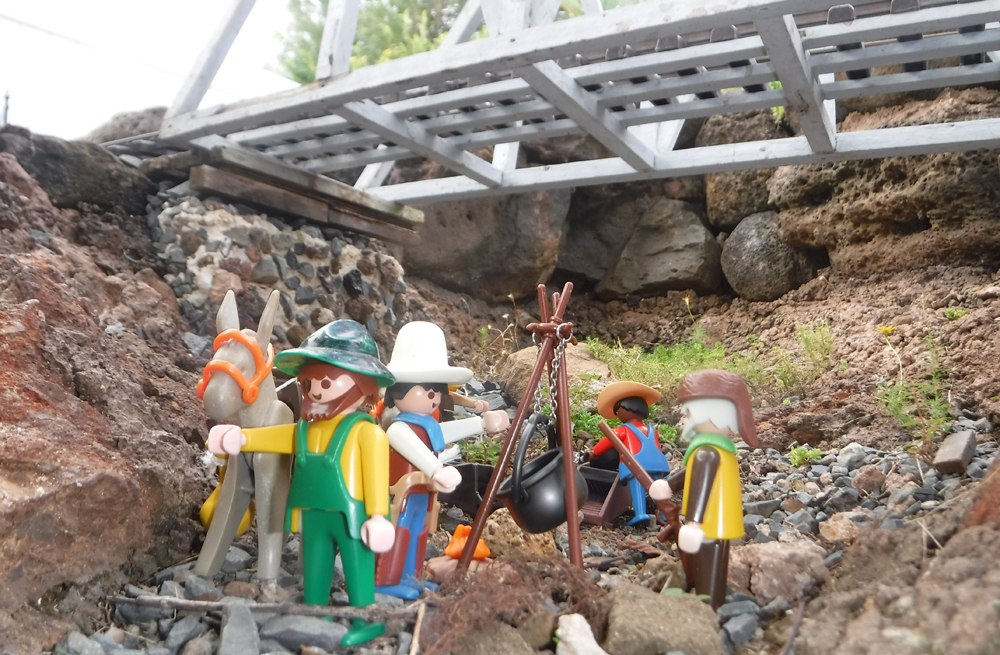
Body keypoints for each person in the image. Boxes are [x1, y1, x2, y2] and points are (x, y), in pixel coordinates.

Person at [207, 320, 395, 646]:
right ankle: (315, 610)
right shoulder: (305, 429)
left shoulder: (368, 433)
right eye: (309, 382)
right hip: (312, 513)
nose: (317, 389)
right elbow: (278, 437)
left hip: (353, 515)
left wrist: (379, 516)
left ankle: (366, 618)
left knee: (357, 566)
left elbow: (377, 476)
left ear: (364, 384)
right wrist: (243, 438)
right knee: (315, 565)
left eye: (326, 381)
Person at [376, 321, 509, 599]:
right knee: (399, 532)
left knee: (418, 533)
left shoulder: (427, 424)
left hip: (421, 491)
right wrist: (436, 469)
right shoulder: (399, 427)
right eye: (428, 392)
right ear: (398, 391)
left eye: (436, 392)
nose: (434, 398)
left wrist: (481, 423)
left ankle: (411, 578)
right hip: (399, 493)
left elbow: (444, 433)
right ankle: (387, 579)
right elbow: (414, 448)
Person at [650, 368, 758, 609]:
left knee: (708, 562)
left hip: (707, 522)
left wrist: (695, 523)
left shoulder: (707, 451)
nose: (687, 418)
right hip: (719, 519)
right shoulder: (720, 449)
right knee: (714, 559)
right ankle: (710, 600)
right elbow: (693, 475)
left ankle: (709, 606)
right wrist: (668, 485)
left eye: (690, 412)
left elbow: (703, 485)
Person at [586, 381, 671, 526]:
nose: (617, 415)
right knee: (658, 486)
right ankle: (664, 513)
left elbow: (607, 442)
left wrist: (594, 452)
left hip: (635, 462)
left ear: (626, 409)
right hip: (657, 462)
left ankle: (640, 513)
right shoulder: (652, 429)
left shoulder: (622, 429)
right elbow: (656, 446)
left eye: (618, 412)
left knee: (637, 484)